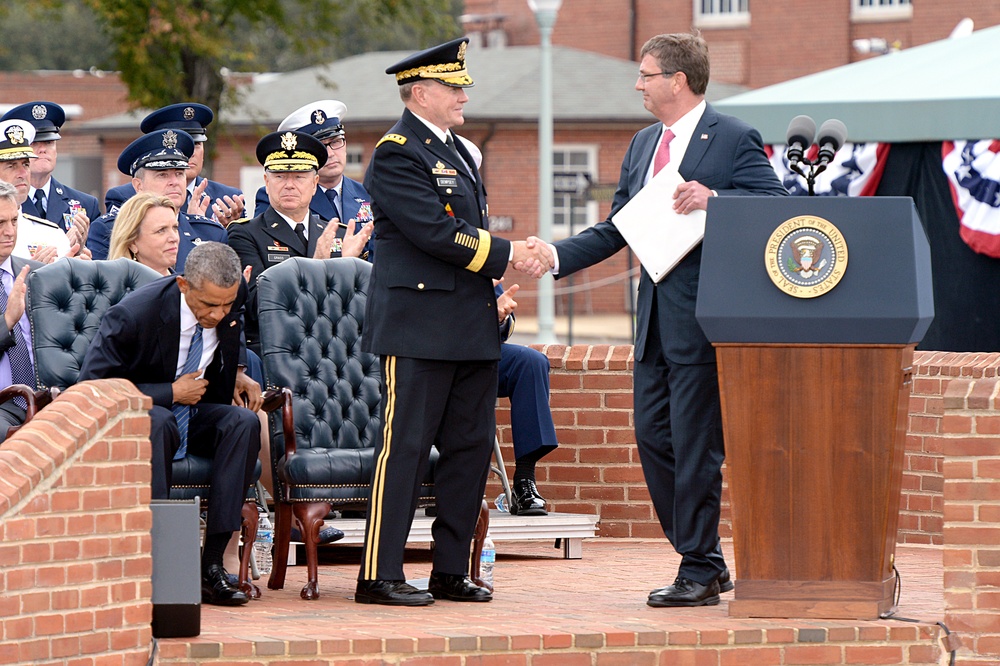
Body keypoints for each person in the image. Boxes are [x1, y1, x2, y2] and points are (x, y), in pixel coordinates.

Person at [519, 33, 788, 607]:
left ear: (678, 81)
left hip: (705, 319)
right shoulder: (643, 144)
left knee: (696, 445)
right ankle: (707, 560)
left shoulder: (734, 138)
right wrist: (557, 255)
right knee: (653, 436)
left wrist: (716, 199)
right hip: (653, 324)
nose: (638, 85)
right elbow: (620, 226)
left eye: (645, 75)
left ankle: (696, 567)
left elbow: (778, 207)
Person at [354, 37, 543, 607]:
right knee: (406, 450)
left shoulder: (460, 150)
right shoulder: (396, 153)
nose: (463, 95)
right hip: (417, 329)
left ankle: (450, 569)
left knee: (468, 449)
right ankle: (378, 575)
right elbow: (437, 233)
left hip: (469, 325)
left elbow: (462, 234)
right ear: (421, 92)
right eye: (454, 86)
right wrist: (513, 253)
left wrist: (501, 268)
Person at [79, 242, 263, 606]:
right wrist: (169, 392)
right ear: (183, 285)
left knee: (243, 422)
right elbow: (92, 387)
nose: (218, 313)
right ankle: (157, 562)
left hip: (196, 414)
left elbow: (233, 324)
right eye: (209, 305)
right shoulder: (134, 315)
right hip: (141, 420)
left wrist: (238, 370)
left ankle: (211, 566)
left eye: (226, 304)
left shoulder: (229, 294)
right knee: (159, 421)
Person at [227, 130, 372, 354]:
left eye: (299, 176)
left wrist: (345, 268)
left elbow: (356, 307)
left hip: (334, 352)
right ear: (267, 182)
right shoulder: (245, 234)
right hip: (278, 351)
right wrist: (317, 267)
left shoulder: (338, 235)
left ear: (314, 184)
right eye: (280, 176)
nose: (289, 185)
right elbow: (259, 305)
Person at [87, 129, 227, 271]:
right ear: (138, 185)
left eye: (179, 174)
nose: (174, 182)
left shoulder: (211, 232)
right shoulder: (109, 229)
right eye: (162, 175)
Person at [253, 100, 375, 260]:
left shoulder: (369, 195)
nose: (331, 153)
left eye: (336, 142)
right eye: (322, 146)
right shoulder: (282, 195)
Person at [105, 103, 245, 226]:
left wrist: (226, 230)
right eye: (181, 148)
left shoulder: (229, 198)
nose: (190, 154)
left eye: (196, 144)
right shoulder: (124, 197)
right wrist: (194, 225)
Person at [494, 282, 557, 516]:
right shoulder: (389, 250)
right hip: (422, 354)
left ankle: (524, 479)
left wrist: (499, 316)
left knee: (530, 362)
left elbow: (505, 321)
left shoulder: (471, 248)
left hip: (473, 352)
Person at [2, 101, 99, 243]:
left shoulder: (86, 204)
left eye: (49, 142)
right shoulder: (8, 202)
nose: (43, 149)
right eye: (34, 143)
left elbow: (99, 257)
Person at [0, 120, 91, 263]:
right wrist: (33, 274)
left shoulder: (51, 235)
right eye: (11, 166)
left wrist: (80, 271)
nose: (23, 173)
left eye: (26, 164)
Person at [0, 181, 43, 444]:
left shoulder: (39, 274)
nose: (9, 232)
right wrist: (8, 320)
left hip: (46, 397)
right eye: (0, 223)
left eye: (14, 221)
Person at [107, 192, 180, 275]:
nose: (174, 238)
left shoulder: (188, 286)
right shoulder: (115, 286)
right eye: (161, 230)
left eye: (175, 228)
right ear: (132, 243)